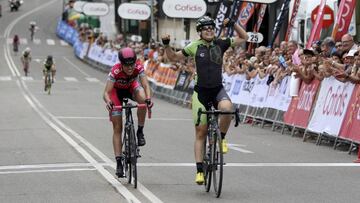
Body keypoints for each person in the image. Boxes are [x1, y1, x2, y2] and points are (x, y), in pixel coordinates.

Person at [161, 16, 248, 185]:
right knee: (201, 132)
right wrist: (166, 45)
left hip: (217, 89)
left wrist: (233, 24)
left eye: (211, 28)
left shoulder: (221, 43)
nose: (209, 30)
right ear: (200, 32)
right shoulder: (194, 46)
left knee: (228, 109)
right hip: (200, 93)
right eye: (205, 28)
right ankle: (200, 170)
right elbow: (173, 57)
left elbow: (244, 37)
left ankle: (221, 138)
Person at [103, 47, 153, 178]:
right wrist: (108, 102)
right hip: (116, 93)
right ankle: (119, 162)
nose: (130, 68)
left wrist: (148, 99)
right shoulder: (115, 70)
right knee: (117, 127)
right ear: (121, 64)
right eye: (127, 65)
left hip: (131, 88)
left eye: (132, 64)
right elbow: (106, 92)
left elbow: (146, 85)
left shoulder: (138, 67)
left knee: (142, 99)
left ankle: (140, 131)